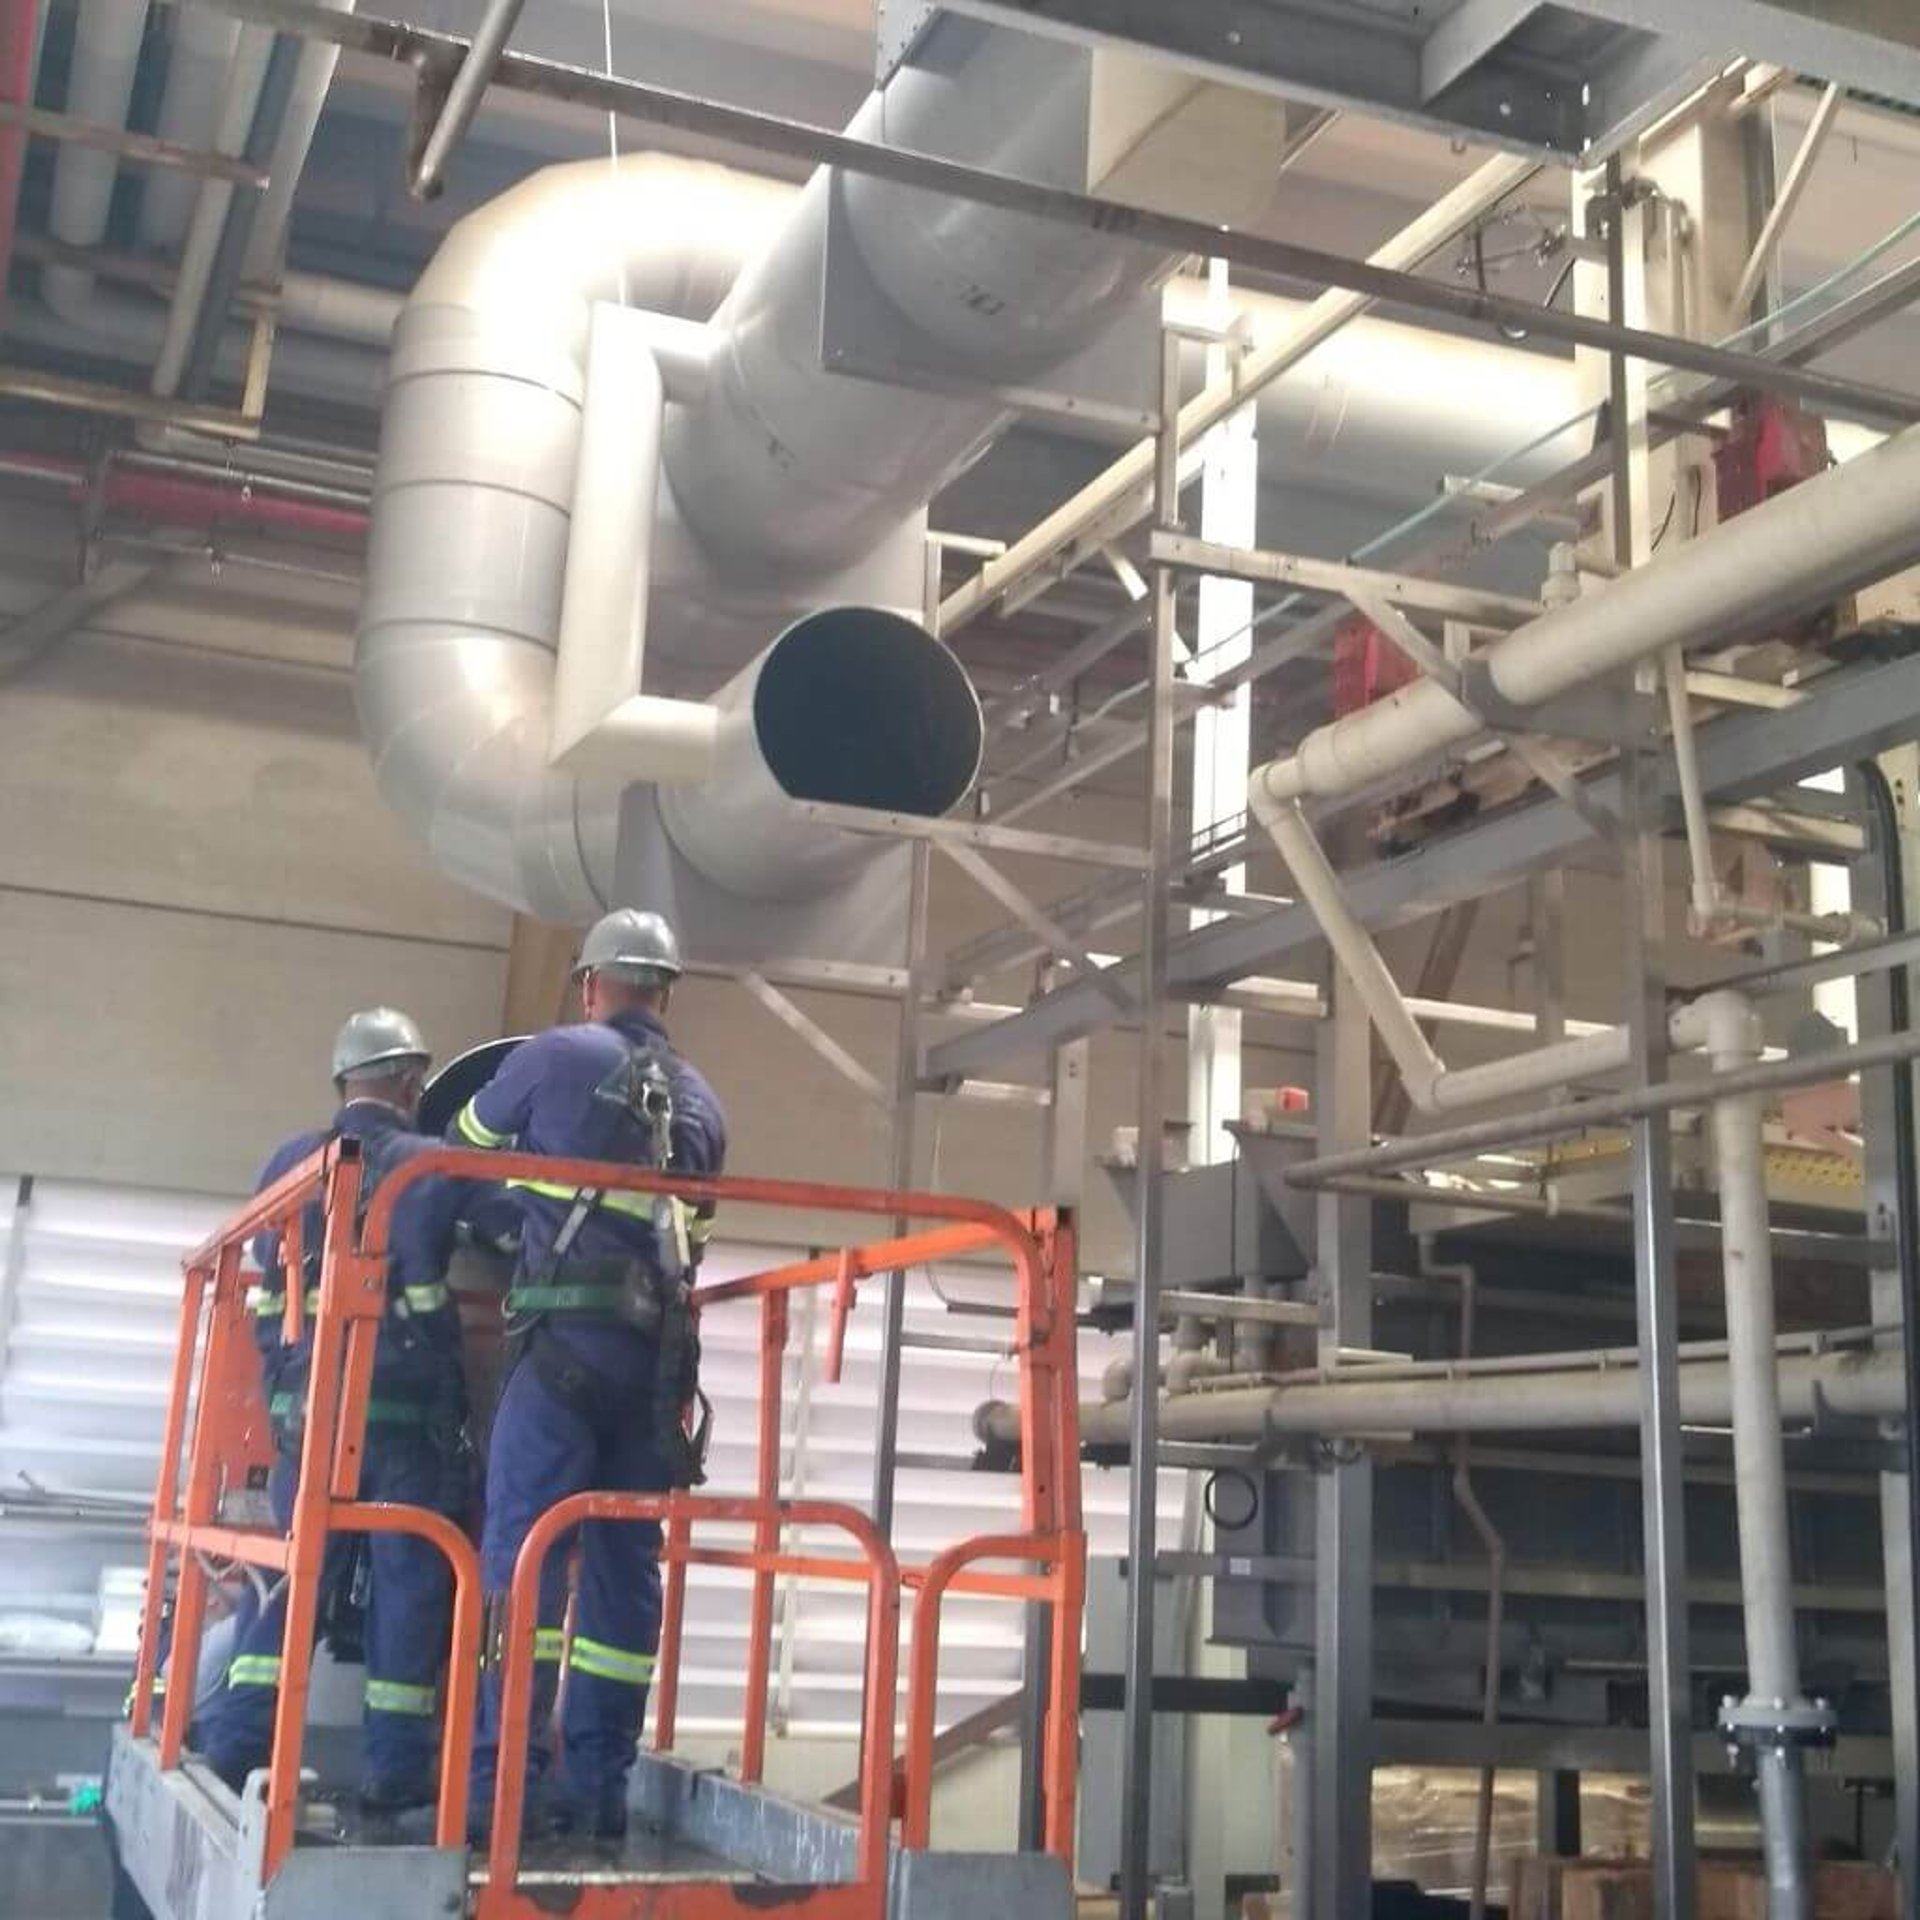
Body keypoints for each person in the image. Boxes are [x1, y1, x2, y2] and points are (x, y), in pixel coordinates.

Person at [451, 908, 726, 1845]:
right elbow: (696, 1237)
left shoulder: (551, 1055)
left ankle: (502, 1796)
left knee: (521, 1567)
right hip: (655, 1379)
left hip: (558, 1358)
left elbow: (461, 1150)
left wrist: (519, 1199)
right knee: (620, 1579)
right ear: (666, 993)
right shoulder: (705, 1105)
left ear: (592, 984)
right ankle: (598, 1790)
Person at [197, 1009, 470, 1815]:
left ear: (343, 1081)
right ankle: (393, 1773)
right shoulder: (430, 1163)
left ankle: (238, 1742)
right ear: (413, 1083)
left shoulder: (289, 1162)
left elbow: (267, 1273)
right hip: (403, 1419)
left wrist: (290, 1377)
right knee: (409, 1588)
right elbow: (506, 1226)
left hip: (306, 1419)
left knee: (288, 1581)